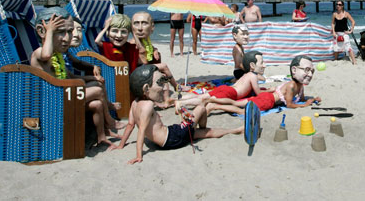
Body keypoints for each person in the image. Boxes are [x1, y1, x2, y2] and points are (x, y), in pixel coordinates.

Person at [109, 65, 243, 164]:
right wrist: (139, 156)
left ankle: (235, 130)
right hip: (172, 138)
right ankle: (217, 128)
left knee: (201, 133)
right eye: (159, 83)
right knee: (202, 107)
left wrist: (121, 145)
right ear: (146, 88)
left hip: (168, 138)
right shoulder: (148, 105)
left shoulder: (134, 103)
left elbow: (130, 126)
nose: (162, 88)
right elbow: (141, 131)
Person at [31, 7, 125, 147]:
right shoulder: (39, 53)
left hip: (65, 96)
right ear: (42, 31)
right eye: (61, 32)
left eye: (69, 31)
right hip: (53, 101)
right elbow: (46, 54)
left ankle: (101, 136)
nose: (67, 38)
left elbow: (70, 77)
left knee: (97, 103)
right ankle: (110, 121)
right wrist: (49, 31)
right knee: (98, 91)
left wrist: (93, 79)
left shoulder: (59, 57)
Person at [205, 55, 322, 114]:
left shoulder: (300, 86)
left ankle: (212, 102)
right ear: (294, 70)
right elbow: (290, 105)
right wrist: (305, 105)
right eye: (307, 70)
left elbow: (300, 99)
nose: (310, 74)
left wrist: (311, 99)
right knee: (242, 110)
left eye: (312, 71)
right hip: (267, 100)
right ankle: (214, 105)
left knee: (237, 103)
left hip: (266, 97)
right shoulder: (292, 85)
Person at [175, 51, 270, 112]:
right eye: (261, 63)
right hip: (231, 93)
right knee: (203, 99)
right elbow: (258, 93)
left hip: (226, 88)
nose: (264, 65)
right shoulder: (253, 76)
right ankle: (182, 103)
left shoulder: (246, 75)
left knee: (202, 96)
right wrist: (269, 91)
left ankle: (180, 99)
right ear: (252, 65)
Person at [131, 11, 190, 108]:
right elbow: (142, 53)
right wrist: (134, 35)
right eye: (136, 24)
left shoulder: (146, 41)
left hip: (146, 69)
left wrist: (155, 50)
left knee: (164, 78)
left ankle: (166, 100)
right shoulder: (134, 43)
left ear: (152, 27)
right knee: (164, 66)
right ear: (131, 27)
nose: (140, 28)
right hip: (139, 72)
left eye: (144, 23)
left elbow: (148, 48)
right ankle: (176, 87)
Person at [331, 0, 356, 64]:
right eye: (337, 4)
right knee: (336, 48)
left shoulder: (346, 14)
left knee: (348, 47)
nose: (338, 6)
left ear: (342, 6)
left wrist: (351, 30)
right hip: (336, 33)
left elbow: (353, 22)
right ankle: (335, 60)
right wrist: (333, 31)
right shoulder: (334, 14)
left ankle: (354, 61)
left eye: (339, 4)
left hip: (344, 33)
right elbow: (333, 23)